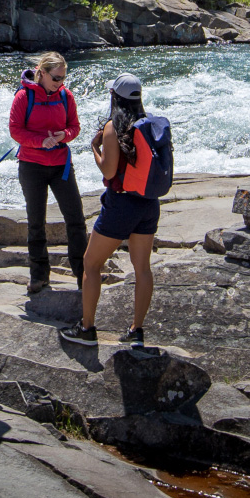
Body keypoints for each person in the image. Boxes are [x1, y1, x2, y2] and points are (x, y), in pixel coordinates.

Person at [61, 73, 173, 351]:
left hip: (121, 205)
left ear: (114, 97)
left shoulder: (114, 128)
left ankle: (86, 329)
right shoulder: (148, 125)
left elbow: (109, 171)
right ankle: (136, 331)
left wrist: (95, 148)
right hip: (148, 203)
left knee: (91, 264)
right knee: (142, 267)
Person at [8, 51, 87, 296]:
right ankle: (38, 275)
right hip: (32, 165)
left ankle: (83, 274)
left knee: (75, 219)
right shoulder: (23, 97)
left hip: (60, 165)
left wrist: (66, 135)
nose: (60, 83)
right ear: (41, 73)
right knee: (36, 222)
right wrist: (40, 142)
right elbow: (15, 131)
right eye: (56, 78)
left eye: (63, 78)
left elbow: (75, 127)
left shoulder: (66, 96)